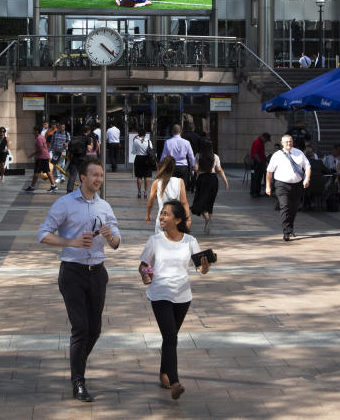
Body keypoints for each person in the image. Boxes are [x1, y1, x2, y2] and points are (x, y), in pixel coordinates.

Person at [37, 159, 121, 403]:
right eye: (94, 175)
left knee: (95, 329)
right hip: (73, 272)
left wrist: (111, 236)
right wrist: (71, 242)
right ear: (82, 177)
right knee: (81, 328)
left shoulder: (104, 206)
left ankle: (77, 367)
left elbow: (116, 242)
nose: (98, 180)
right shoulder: (64, 204)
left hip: (98, 272)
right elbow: (43, 234)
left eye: (101, 176)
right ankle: (78, 381)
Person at [139, 200, 210, 400]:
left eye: (166, 214)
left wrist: (205, 267)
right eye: (161, 214)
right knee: (171, 337)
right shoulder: (154, 240)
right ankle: (175, 382)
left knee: (169, 337)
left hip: (182, 296)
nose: (161, 217)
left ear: (178, 219)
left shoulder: (190, 241)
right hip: (160, 293)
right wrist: (145, 273)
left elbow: (200, 269)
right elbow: (144, 264)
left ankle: (164, 373)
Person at [265, 135, 311, 242]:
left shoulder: (299, 153)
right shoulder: (277, 155)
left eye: (290, 141)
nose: (289, 144)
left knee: (294, 208)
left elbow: (307, 166)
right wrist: (268, 186)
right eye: (286, 142)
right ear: (282, 143)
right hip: (281, 185)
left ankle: (290, 227)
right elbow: (269, 172)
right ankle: (286, 232)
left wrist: (307, 178)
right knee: (284, 206)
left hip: (297, 185)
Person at [191, 142, 229, 234]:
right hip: (213, 180)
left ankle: (207, 219)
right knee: (210, 202)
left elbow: (195, 168)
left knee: (201, 201)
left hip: (202, 179)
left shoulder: (198, 156)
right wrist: (225, 181)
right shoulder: (215, 156)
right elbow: (219, 169)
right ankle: (207, 224)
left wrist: (198, 170)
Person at [147, 155, 191, 233]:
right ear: (173, 168)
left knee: (160, 243)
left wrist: (148, 215)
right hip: (175, 218)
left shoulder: (157, 182)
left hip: (162, 218)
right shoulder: (180, 181)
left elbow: (151, 201)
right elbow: (184, 202)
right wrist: (188, 218)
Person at [26, 127, 58, 193]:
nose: (33, 132)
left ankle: (32, 187)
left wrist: (32, 155)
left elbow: (40, 149)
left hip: (42, 157)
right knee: (47, 171)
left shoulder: (39, 138)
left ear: (37, 131)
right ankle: (53, 185)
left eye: (34, 131)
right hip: (45, 157)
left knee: (36, 172)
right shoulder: (41, 137)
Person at [131, 128, 154, 200]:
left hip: (138, 159)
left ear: (138, 134)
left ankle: (139, 192)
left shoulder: (135, 141)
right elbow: (151, 150)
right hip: (147, 159)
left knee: (139, 176)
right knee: (147, 176)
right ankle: (145, 192)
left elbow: (134, 151)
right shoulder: (148, 141)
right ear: (145, 134)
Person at [249, 132, 270, 197]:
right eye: (266, 140)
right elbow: (255, 154)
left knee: (259, 178)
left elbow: (261, 154)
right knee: (255, 177)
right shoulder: (257, 142)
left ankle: (257, 192)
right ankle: (254, 192)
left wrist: (265, 159)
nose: (266, 141)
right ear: (263, 137)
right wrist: (260, 162)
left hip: (258, 163)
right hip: (256, 163)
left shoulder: (261, 143)